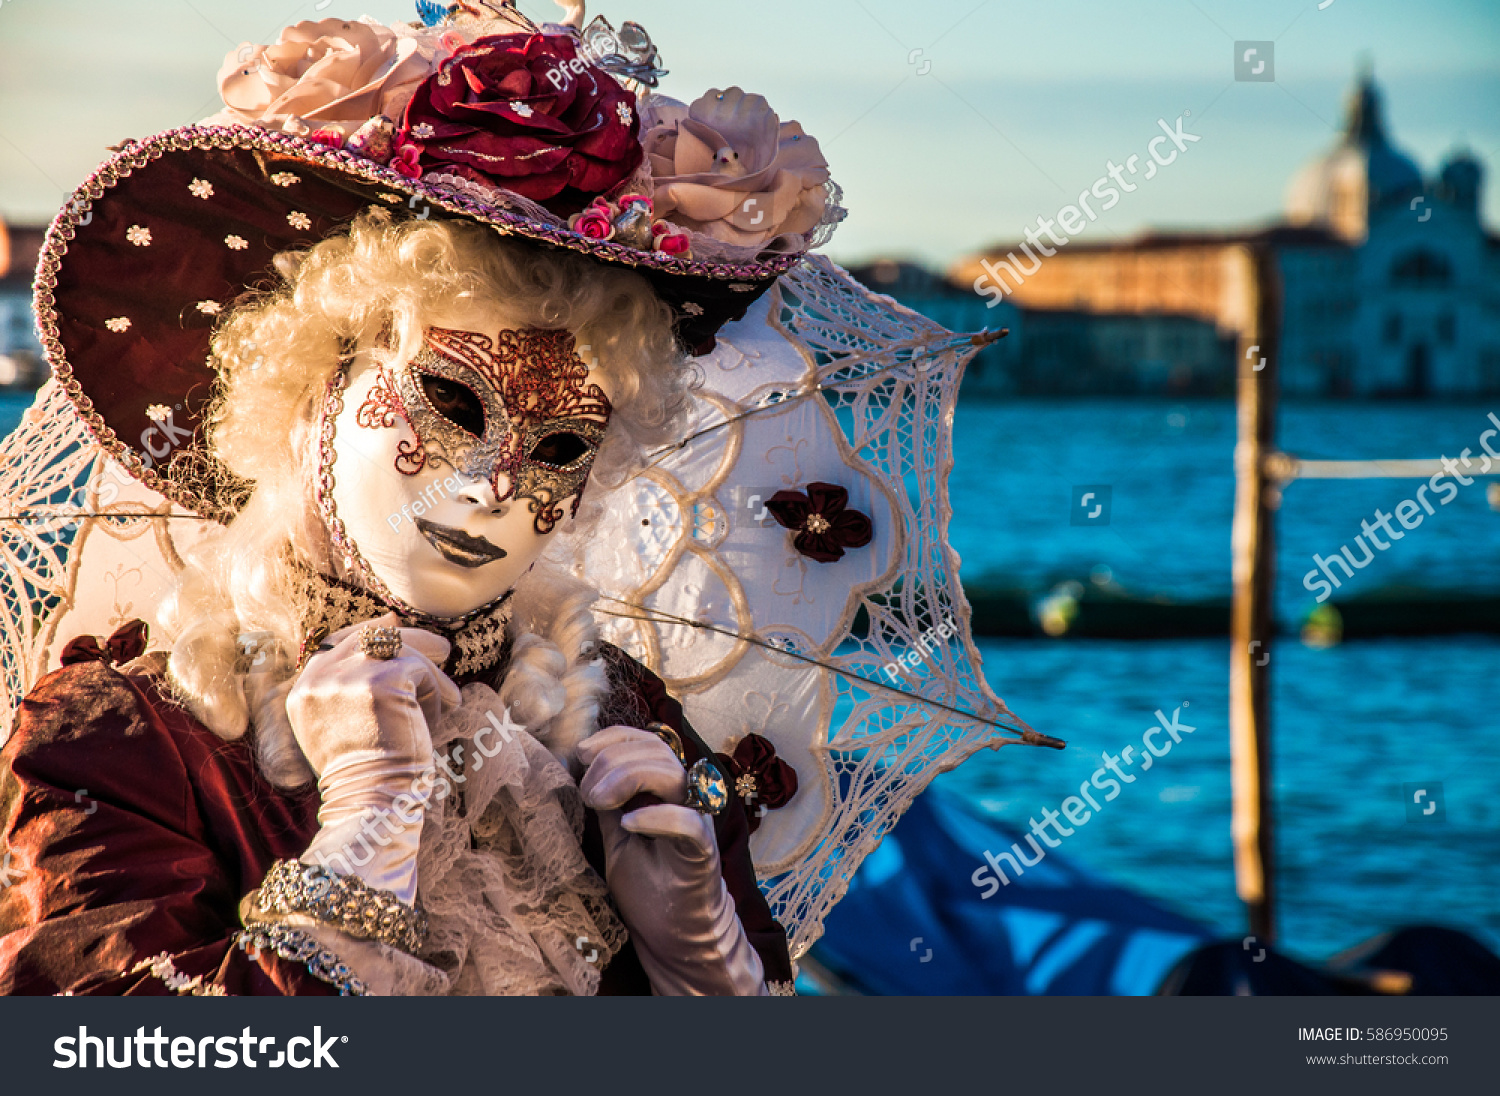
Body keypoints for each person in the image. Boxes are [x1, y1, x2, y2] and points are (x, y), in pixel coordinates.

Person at [0, 1, 839, 996]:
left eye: (563, 447)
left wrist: (706, 970)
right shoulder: (121, 745)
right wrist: (359, 845)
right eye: (450, 401)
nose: (495, 486)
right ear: (312, 391)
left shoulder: (625, 725)